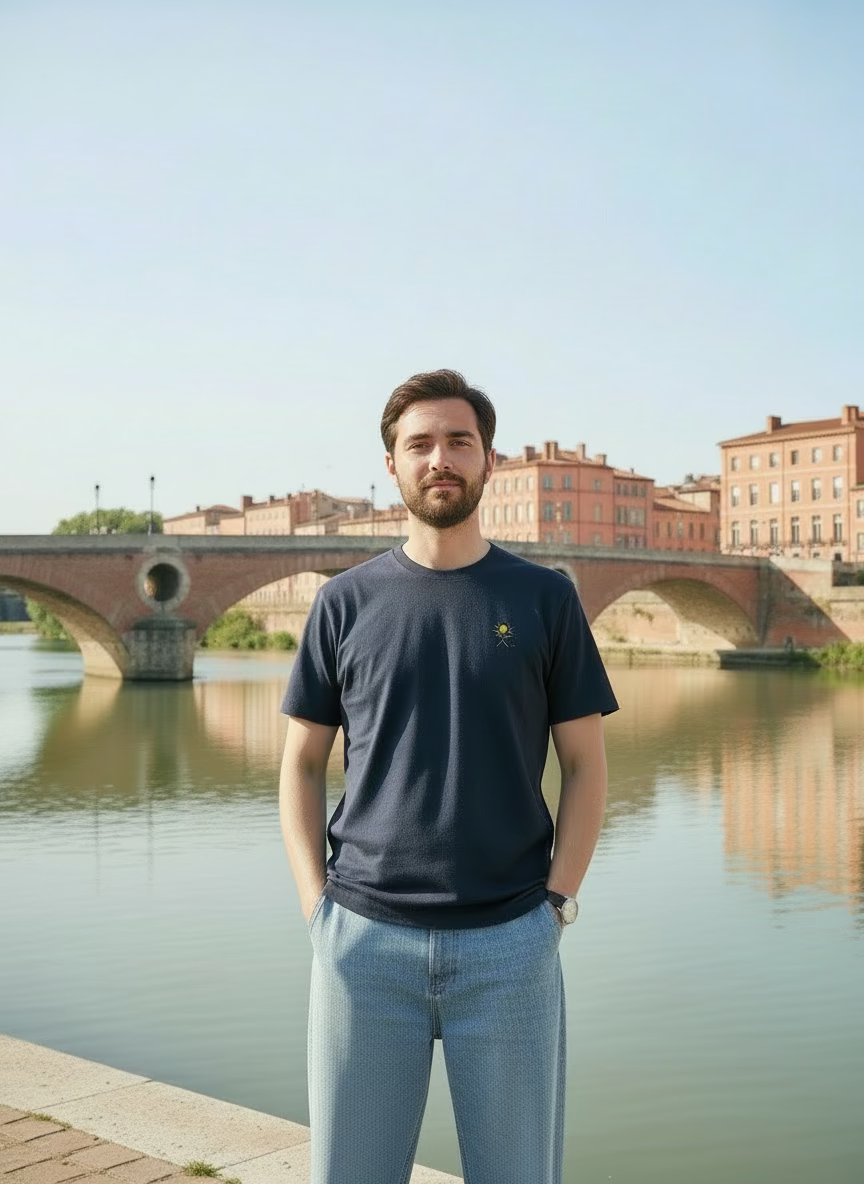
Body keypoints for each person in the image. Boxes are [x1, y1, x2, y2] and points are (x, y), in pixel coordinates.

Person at [279, 369, 618, 1184]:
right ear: (392, 466)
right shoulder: (344, 604)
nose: (440, 458)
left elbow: (585, 766)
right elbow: (300, 764)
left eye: (458, 442)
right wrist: (316, 907)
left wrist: (557, 905)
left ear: (488, 461)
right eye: (419, 444)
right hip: (362, 941)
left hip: (511, 945)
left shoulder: (546, 599)